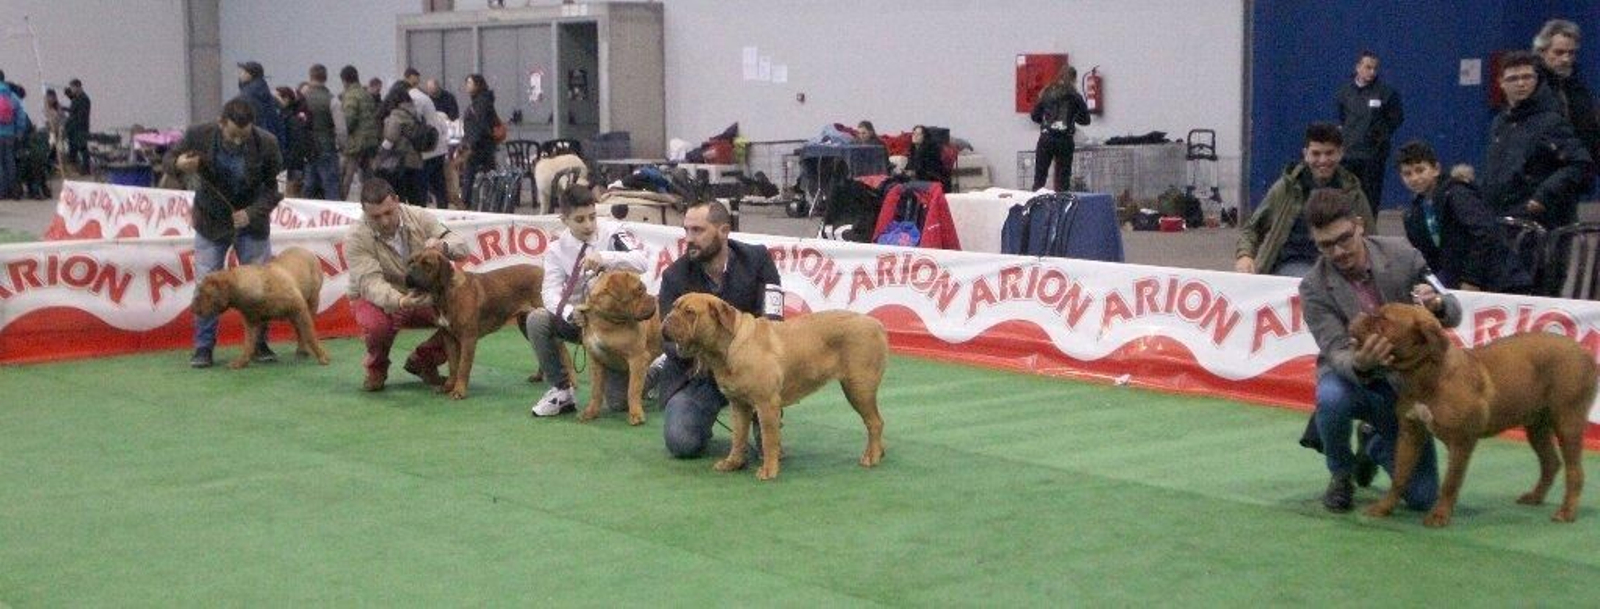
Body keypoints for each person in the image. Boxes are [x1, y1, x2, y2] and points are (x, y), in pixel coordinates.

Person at [1298, 187, 1452, 514]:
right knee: (1331, 397)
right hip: (1352, 380)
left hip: (1404, 386)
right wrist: (1361, 363)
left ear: (1359, 225)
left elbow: (1453, 308)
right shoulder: (1313, 287)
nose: (1338, 251)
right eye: (1326, 245)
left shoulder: (1404, 255)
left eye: (1344, 238)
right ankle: (1341, 474)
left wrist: (1438, 303)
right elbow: (1335, 350)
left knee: (1423, 498)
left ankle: (1372, 442)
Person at [657, 200, 782, 458]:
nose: (689, 238)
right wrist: (693, 353)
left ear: (724, 231)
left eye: (698, 230)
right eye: (686, 230)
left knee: (766, 383)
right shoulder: (674, 276)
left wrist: (748, 359)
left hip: (752, 370)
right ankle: (706, 421)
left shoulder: (758, 259)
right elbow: (667, 338)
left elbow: (773, 319)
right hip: (698, 375)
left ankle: (763, 422)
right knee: (682, 442)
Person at [164, 99, 284, 369]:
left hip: (252, 224)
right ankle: (203, 347)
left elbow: (275, 189)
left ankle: (260, 344)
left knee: (260, 287)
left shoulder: (268, 143)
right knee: (206, 285)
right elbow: (168, 160)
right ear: (221, 123)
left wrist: (252, 213)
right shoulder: (198, 134)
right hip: (210, 222)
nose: (239, 141)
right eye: (233, 135)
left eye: (244, 136)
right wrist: (179, 164)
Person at [527, 183, 650, 417]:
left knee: (617, 403)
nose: (589, 225)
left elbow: (642, 261)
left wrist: (605, 257)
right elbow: (550, 293)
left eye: (592, 217)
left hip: (615, 325)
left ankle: (655, 370)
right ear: (564, 220)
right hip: (580, 321)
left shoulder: (614, 233)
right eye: (580, 219)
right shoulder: (556, 250)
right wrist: (570, 313)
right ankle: (562, 390)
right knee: (537, 319)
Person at [343, 177, 468, 391]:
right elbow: (370, 284)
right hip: (378, 298)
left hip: (424, 295)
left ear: (397, 201)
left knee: (465, 317)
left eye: (388, 212)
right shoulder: (355, 238)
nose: (384, 221)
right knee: (376, 326)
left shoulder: (419, 216)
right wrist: (400, 301)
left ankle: (423, 360)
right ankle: (376, 368)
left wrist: (443, 246)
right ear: (363, 211)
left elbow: (462, 247)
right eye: (375, 216)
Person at [1235, 122, 1373, 277]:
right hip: (1293, 264)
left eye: (1329, 153)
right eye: (1316, 154)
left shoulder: (1353, 193)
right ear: (1306, 154)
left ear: (1340, 153)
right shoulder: (1285, 188)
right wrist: (1244, 255)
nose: (1323, 160)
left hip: (1339, 265)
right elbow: (1252, 228)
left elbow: (1371, 239)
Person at [1396, 140, 1533, 294]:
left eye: (1420, 170)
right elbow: (1430, 257)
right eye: (1407, 174)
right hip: (1458, 285)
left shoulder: (1458, 194)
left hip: (1499, 282)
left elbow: (1485, 234)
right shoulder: (1413, 215)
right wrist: (1435, 284)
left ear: (1436, 169)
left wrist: (1472, 280)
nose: (1415, 178)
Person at [1482, 51, 1593, 231]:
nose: (1521, 83)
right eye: (1513, 78)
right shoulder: (1500, 123)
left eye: (1527, 77)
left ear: (1536, 80)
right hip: (1503, 219)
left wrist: (1543, 196)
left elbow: (1580, 163)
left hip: (1539, 221)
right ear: (1501, 83)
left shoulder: (1550, 121)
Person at [1336, 51, 1404, 209]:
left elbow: (1396, 119)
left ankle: (1369, 224)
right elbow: (1343, 119)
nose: (1372, 72)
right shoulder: (1344, 93)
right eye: (1368, 67)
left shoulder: (1386, 93)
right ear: (1358, 67)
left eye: (1375, 68)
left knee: (1370, 197)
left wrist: (1379, 136)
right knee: (1346, 196)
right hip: (1349, 154)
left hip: (1373, 155)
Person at [1534, 19, 1600, 169]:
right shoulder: (1532, 87)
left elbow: (1589, 132)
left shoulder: (1578, 88)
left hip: (1578, 172)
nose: (1566, 59)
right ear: (1542, 51)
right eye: (1559, 52)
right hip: (1545, 173)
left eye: (1571, 53)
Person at [1028, 65, 1091, 191]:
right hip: (1065, 140)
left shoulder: (1046, 92)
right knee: (1063, 180)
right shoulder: (1075, 96)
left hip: (1046, 138)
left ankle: (1036, 199)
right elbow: (1086, 120)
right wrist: (1073, 117)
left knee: (1040, 178)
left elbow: (1034, 116)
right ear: (1074, 79)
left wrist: (1045, 121)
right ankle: (1061, 201)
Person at [405, 69, 450, 208]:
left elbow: (412, 122)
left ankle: (424, 211)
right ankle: (443, 210)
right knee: (439, 185)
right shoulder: (424, 97)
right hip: (437, 146)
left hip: (427, 149)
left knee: (422, 185)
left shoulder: (413, 99)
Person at [377, 82, 425, 205]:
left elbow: (391, 137)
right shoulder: (416, 112)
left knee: (400, 197)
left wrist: (380, 155)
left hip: (400, 161)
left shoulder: (397, 115)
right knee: (416, 198)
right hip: (416, 159)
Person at [300, 64, 342, 200]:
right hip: (326, 145)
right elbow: (341, 129)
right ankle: (333, 212)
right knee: (331, 185)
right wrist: (342, 146)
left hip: (306, 147)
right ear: (326, 77)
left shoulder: (301, 99)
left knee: (308, 185)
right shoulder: (332, 99)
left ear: (310, 76)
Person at [458, 73, 500, 210]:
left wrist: (471, 144)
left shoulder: (480, 103)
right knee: (489, 172)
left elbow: (480, 126)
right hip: (485, 145)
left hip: (478, 145)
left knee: (469, 174)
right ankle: (494, 200)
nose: (467, 86)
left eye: (469, 83)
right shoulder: (484, 101)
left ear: (477, 85)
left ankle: (465, 203)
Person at [340, 65, 381, 199]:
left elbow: (349, 120)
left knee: (347, 175)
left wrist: (341, 137)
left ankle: (341, 201)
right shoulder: (366, 94)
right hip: (370, 141)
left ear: (344, 80)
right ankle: (373, 199)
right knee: (368, 176)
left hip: (356, 142)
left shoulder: (351, 95)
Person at [235, 61, 286, 149]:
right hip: (271, 141)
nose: (240, 75)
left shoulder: (246, 96)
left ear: (250, 75)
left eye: (243, 72)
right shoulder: (266, 93)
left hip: (254, 144)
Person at [275, 86, 311, 198]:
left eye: (277, 98)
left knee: (289, 194)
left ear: (286, 99)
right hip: (293, 162)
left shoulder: (288, 119)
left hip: (290, 163)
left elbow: (295, 143)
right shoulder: (291, 117)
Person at [0, 71, 27, 199]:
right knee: (10, 162)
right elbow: (21, 115)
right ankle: (13, 190)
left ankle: (2, 191)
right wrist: (19, 131)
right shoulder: (12, 95)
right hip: (10, 134)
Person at [63, 78, 90, 175]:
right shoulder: (77, 98)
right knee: (73, 148)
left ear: (78, 87)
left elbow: (79, 113)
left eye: (72, 87)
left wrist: (71, 121)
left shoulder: (84, 98)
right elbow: (74, 104)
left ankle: (86, 169)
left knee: (82, 148)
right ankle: (76, 168)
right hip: (74, 128)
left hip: (80, 128)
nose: (72, 89)